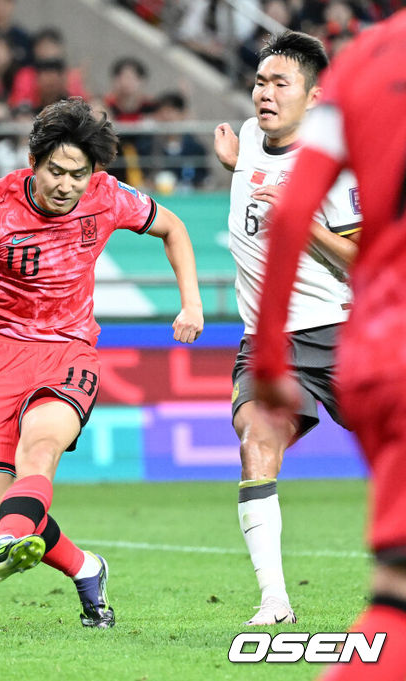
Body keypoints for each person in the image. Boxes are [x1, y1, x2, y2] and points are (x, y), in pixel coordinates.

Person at [0, 97, 203, 627]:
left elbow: (174, 229)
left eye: (79, 174)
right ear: (34, 161)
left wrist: (192, 302)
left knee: (39, 448)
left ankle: (7, 543)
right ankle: (85, 565)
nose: (67, 185)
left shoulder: (109, 197)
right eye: (56, 172)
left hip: (69, 351)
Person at [251, 13, 406, 680]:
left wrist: (265, 361)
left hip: (377, 350)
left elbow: (290, 213)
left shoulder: (366, 59)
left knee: (393, 600)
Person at [212, 30, 361, 627]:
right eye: (259, 81)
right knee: (256, 447)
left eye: (280, 83)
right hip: (268, 341)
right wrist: (236, 162)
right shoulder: (250, 137)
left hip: (343, 332)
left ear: (315, 97)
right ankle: (274, 600)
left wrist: (308, 223)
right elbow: (255, 174)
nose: (264, 94)